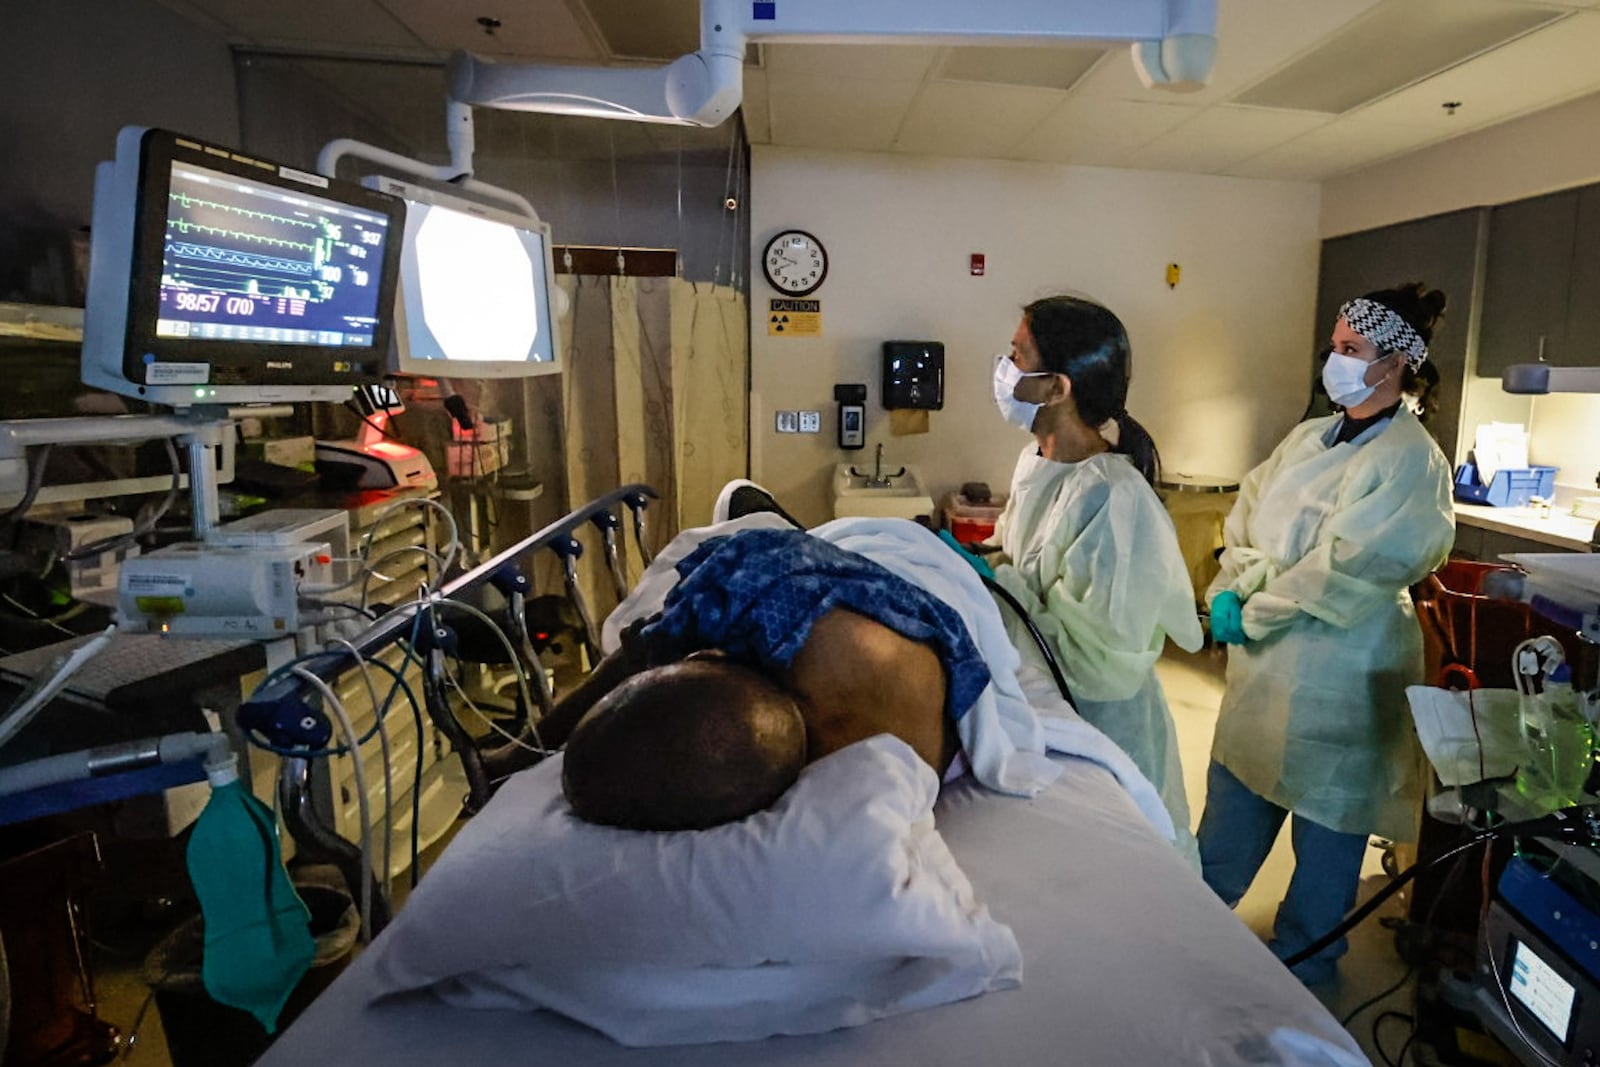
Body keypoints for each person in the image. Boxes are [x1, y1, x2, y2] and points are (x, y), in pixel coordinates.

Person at [1196, 282, 1456, 985]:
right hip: (1264, 672)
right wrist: (1229, 589)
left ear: (1395, 364)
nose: (1335, 361)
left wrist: (1249, 611)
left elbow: (1341, 571)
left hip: (1343, 673)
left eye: (1351, 349)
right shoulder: (1309, 437)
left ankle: (1305, 964)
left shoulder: (1412, 463)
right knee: (1233, 804)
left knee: (1327, 831)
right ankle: (1185, 925)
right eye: (1334, 347)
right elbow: (1245, 525)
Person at [540, 525, 991, 830]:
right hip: (906, 562)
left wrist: (532, 745)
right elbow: (649, 649)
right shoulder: (753, 599)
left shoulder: (751, 588)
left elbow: (643, 649)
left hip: (861, 555)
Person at [979, 295, 1203, 859]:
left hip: (1105, 730)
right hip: (1048, 716)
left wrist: (995, 586)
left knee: (1127, 879)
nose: (1004, 369)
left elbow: (1095, 665)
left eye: (1018, 354)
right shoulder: (1038, 463)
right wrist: (987, 566)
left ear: (1058, 387)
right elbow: (1021, 559)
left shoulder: (1114, 499)